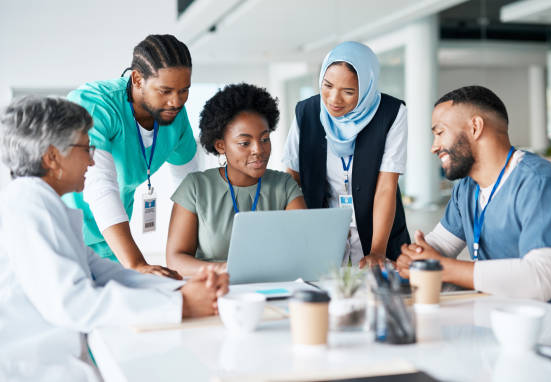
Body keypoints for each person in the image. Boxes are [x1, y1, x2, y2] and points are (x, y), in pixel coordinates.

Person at [0, 97, 229, 381]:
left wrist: (182, 288)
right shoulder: (29, 205)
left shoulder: (43, 203)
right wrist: (180, 305)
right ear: (51, 157)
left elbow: (103, 273)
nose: (92, 159)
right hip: (34, 369)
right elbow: (74, 303)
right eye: (85, 148)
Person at [396, 85, 551, 318]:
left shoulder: (541, 184)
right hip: (516, 324)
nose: (434, 146)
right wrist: (415, 257)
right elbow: (440, 245)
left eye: (440, 132)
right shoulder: (467, 189)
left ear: (476, 127)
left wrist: (438, 266)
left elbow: (540, 279)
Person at [63, 34, 199, 279]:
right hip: (64, 234)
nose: (176, 102)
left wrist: (188, 255)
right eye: (165, 90)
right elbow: (98, 184)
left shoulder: (175, 115)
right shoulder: (97, 104)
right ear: (137, 79)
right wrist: (136, 263)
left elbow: (189, 189)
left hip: (109, 243)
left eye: (184, 90)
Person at [283, 41, 410, 269]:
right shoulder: (307, 112)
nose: (334, 99)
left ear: (367, 88)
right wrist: (302, 234)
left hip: (379, 229)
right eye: (327, 85)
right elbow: (292, 177)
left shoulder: (391, 113)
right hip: (323, 228)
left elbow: (386, 187)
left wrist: (377, 252)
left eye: (349, 92)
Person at [166, 83, 306, 276]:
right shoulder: (196, 187)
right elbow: (175, 260)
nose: (258, 150)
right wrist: (224, 269)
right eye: (244, 143)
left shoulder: (284, 186)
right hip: (214, 289)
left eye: (264, 139)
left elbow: (304, 248)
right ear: (221, 145)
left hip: (273, 287)